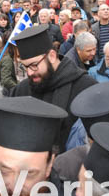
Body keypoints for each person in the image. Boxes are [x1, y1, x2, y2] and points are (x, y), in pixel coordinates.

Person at [10, 24, 96, 152]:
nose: (29, 73)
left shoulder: (86, 87)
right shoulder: (21, 90)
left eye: (34, 65)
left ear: (51, 56)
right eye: (25, 66)